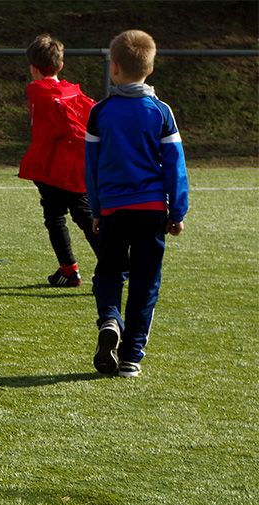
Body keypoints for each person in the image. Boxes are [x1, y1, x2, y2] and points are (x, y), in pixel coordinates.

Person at [86, 30, 189, 378]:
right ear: (151, 67)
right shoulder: (160, 112)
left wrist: (97, 209)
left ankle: (110, 319)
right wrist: (177, 211)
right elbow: (175, 165)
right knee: (146, 281)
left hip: (114, 210)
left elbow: (91, 165)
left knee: (109, 272)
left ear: (114, 67)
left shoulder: (100, 112)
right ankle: (131, 355)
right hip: (151, 211)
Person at [18, 33, 99, 287]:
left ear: (33, 68)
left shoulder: (39, 91)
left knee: (57, 218)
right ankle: (113, 263)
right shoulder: (71, 92)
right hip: (77, 165)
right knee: (83, 216)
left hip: (52, 167)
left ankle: (74, 269)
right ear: (60, 65)